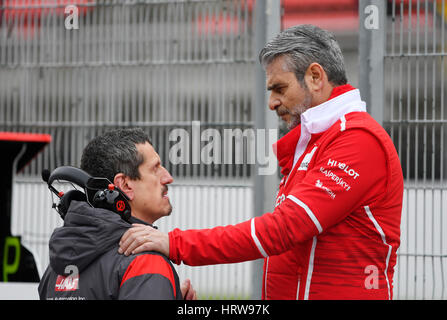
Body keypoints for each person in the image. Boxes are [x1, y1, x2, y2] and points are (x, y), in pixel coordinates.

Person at [119, 25, 404, 300]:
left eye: (279, 88)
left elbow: (284, 229)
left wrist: (177, 244)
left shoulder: (358, 140)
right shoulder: (320, 140)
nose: (272, 102)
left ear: (316, 77)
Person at [38, 128, 196, 300]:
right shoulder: (146, 262)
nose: (167, 177)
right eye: (155, 168)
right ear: (126, 185)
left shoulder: (55, 269)